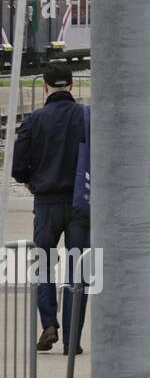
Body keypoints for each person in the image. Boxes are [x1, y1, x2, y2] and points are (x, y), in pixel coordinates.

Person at [12, 63, 89, 355]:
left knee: (43, 264)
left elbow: (18, 165)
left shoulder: (34, 119)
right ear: (71, 86)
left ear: (45, 87)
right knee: (78, 271)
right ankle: (72, 339)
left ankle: (49, 323)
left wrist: (30, 180)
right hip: (81, 204)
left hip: (45, 204)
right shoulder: (86, 116)